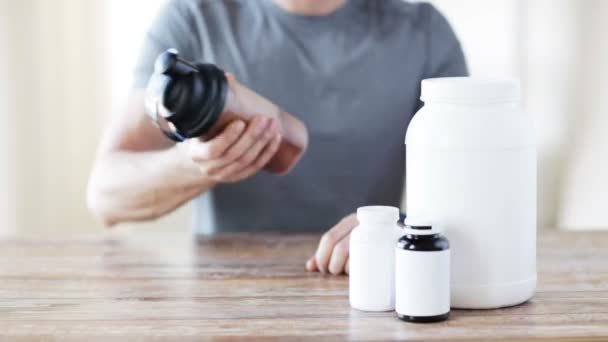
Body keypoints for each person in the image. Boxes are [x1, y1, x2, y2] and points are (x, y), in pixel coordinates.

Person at [87, 0, 467, 276]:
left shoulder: (424, 32)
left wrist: (399, 227)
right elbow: (106, 195)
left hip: (368, 286)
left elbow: (467, 191)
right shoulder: (194, 18)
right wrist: (194, 163)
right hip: (226, 301)